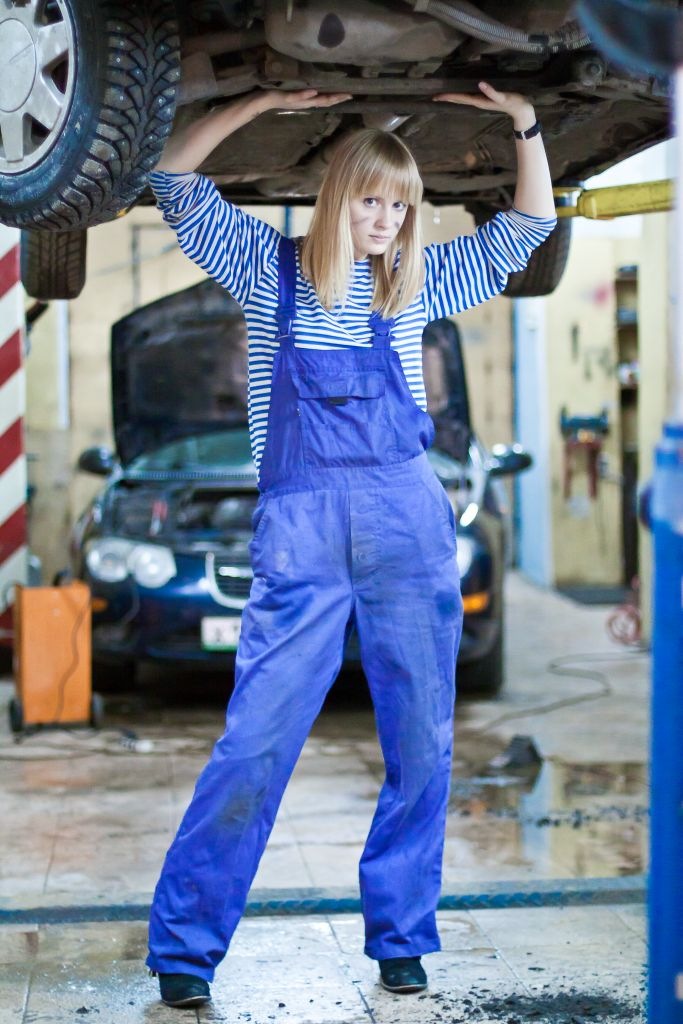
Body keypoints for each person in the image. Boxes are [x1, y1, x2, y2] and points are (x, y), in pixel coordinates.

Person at [145, 81, 556, 1008]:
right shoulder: (265, 268)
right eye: (371, 200)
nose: (385, 221)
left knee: (421, 738)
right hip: (301, 529)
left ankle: (401, 936)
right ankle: (185, 947)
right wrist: (259, 103)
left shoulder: (413, 283)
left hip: (405, 520)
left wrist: (523, 123)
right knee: (255, 739)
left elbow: (530, 226)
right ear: (337, 196)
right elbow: (172, 176)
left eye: (400, 207)